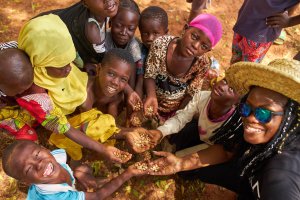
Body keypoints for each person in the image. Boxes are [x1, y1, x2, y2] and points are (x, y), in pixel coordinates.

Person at [145, 59, 300, 199]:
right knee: (200, 171)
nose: (252, 118)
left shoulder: (281, 178)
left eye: (264, 113)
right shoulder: (261, 134)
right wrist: (180, 163)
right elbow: (228, 151)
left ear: (289, 117)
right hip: (249, 172)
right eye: (247, 108)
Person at [0, 14, 131, 163]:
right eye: (61, 66)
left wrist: (80, 64)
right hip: (10, 105)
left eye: (68, 61)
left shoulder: (26, 47)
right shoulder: (35, 96)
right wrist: (102, 149)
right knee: (28, 136)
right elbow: (65, 127)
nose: (69, 69)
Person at [48, 48, 135, 160]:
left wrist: (132, 132)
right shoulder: (85, 95)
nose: (115, 82)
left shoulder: (117, 95)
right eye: (111, 74)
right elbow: (88, 129)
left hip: (91, 124)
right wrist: (129, 133)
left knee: (109, 131)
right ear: (98, 69)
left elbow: (111, 124)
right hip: (71, 128)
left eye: (123, 79)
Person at [123, 77, 240, 154]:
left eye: (231, 89)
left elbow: (218, 151)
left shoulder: (233, 123)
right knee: (179, 132)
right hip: (200, 133)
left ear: (237, 102)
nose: (222, 86)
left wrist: (180, 158)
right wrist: (160, 132)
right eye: (224, 81)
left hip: (213, 147)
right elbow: (182, 117)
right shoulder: (202, 97)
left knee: (185, 171)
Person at [2, 140, 146, 200]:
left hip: (68, 187)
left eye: (37, 155)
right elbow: (97, 196)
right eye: (28, 169)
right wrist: (129, 173)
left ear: (45, 149)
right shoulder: (56, 198)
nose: (39, 164)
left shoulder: (55, 157)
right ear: (27, 182)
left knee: (82, 170)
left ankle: (98, 181)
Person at [143, 13, 222, 121]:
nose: (195, 45)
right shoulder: (160, 44)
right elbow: (150, 74)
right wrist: (151, 96)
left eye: (204, 46)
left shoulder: (202, 64)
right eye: (194, 36)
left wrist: (176, 117)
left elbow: (190, 94)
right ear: (185, 29)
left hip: (174, 109)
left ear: (207, 51)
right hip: (150, 96)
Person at [39, 0, 119, 73]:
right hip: (44, 39)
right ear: (85, 3)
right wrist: (84, 64)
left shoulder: (102, 9)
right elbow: (105, 59)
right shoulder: (92, 30)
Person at [231, 0, 300, 64]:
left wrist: (289, 22)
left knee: (246, 68)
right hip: (245, 17)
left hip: (261, 31)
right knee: (235, 57)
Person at [105, 0, 142, 96]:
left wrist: (130, 94)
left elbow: (132, 75)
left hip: (122, 82)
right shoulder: (103, 40)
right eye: (119, 26)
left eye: (130, 29)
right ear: (110, 23)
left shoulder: (134, 46)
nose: (124, 32)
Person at [137, 6, 169, 98]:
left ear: (166, 33)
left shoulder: (169, 51)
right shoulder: (141, 53)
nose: (150, 38)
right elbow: (140, 79)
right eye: (145, 33)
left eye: (155, 33)